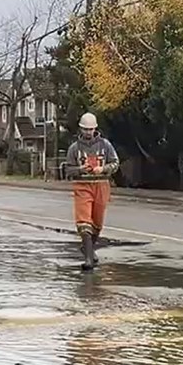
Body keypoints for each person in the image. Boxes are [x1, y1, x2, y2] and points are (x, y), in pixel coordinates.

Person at [64, 112, 120, 271]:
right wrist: (80, 169)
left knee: (97, 222)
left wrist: (103, 168)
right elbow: (68, 170)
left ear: (95, 128)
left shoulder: (105, 145)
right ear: (81, 129)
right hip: (82, 186)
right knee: (84, 221)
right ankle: (88, 258)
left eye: (90, 129)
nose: (88, 132)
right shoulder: (74, 148)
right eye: (85, 129)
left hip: (101, 185)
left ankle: (88, 248)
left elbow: (115, 163)